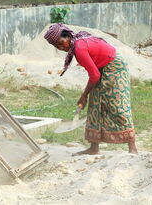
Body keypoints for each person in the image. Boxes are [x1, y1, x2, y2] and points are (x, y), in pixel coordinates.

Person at [44, 23, 138, 155]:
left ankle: (132, 147)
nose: (61, 47)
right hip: (102, 67)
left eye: (61, 43)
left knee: (117, 105)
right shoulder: (77, 42)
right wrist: (87, 96)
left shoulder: (79, 48)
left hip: (115, 67)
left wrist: (84, 95)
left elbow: (94, 75)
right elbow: (95, 73)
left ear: (68, 36)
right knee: (95, 105)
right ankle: (94, 148)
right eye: (57, 46)